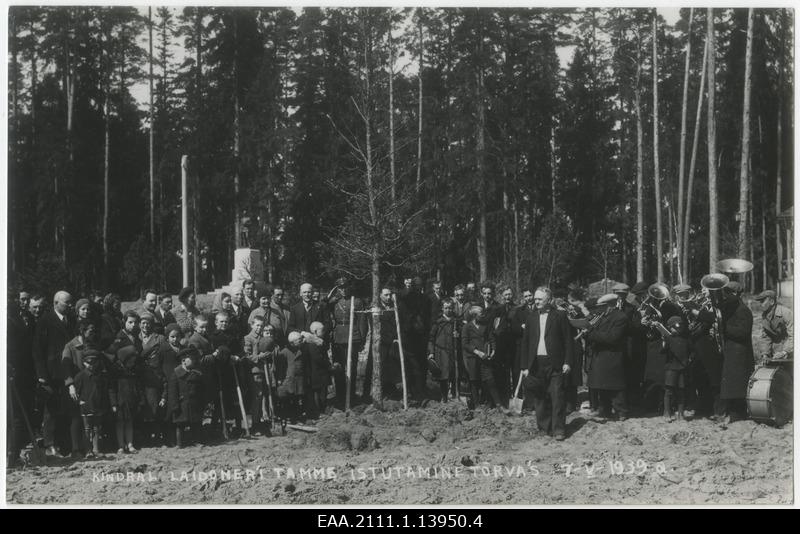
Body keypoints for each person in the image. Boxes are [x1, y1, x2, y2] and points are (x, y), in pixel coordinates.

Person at [520, 287, 574, 439]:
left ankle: (558, 430)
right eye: (535, 298)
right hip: (536, 363)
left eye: (539, 299)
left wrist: (568, 362)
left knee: (557, 396)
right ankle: (544, 427)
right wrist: (524, 366)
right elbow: (526, 343)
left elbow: (568, 341)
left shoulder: (560, 316)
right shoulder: (531, 317)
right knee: (540, 397)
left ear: (549, 300)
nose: (535, 301)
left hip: (555, 363)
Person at [33, 290, 75, 457]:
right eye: (67, 303)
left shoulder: (70, 320)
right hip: (51, 373)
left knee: (65, 409)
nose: (70, 306)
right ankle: (49, 445)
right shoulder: (45, 321)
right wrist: (41, 374)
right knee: (50, 411)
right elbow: (37, 350)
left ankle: (63, 445)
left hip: (67, 370)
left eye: (71, 302)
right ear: (56, 303)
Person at [585, 294, 629, 422]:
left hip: (612, 356)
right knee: (602, 385)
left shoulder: (621, 317)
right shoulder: (601, 316)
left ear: (610, 305)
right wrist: (585, 333)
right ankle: (605, 410)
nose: (600, 309)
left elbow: (613, 338)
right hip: (600, 355)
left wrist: (591, 333)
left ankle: (621, 412)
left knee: (616, 387)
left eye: (602, 306)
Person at [328, 278, 368, 408]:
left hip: (353, 336)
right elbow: (323, 306)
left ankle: (351, 396)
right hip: (338, 337)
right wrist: (330, 297)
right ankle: (340, 396)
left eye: (345, 287)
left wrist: (361, 339)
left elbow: (362, 321)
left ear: (349, 287)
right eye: (340, 288)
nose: (343, 290)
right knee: (338, 367)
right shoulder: (333, 302)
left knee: (352, 367)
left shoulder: (356, 301)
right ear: (337, 289)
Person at [717, 282, 754, 423]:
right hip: (732, 352)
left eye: (728, 293)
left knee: (738, 386)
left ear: (736, 294)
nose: (725, 296)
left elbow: (742, 333)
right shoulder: (730, 308)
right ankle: (732, 414)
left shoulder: (743, 310)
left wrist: (724, 327)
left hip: (740, 354)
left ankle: (738, 416)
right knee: (731, 385)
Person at [62, 319, 99, 457]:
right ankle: (76, 448)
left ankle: (90, 449)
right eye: (90, 331)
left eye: (94, 331)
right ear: (82, 331)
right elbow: (65, 367)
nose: (93, 334)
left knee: (90, 420)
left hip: (90, 386)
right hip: (76, 387)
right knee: (76, 418)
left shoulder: (92, 344)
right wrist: (70, 385)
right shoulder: (70, 346)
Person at [107, 311, 142, 454]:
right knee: (120, 420)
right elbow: (110, 356)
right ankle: (121, 445)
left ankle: (130, 443)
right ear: (124, 322)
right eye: (130, 322)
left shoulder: (137, 338)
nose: (133, 325)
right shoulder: (119, 339)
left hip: (132, 376)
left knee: (130, 419)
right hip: (120, 379)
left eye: (135, 322)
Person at [462, 305, 504, 412]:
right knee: (474, 381)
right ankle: (476, 405)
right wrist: (476, 351)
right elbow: (465, 344)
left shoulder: (485, 325)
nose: (484, 315)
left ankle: (498, 404)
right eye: (481, 314)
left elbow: (491, 338)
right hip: (473, 358)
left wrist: (494, 349)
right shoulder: (467, 327)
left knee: (490, 380)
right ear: (475, 316)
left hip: (485, 357)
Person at [73, 349, 113, 458]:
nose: (91, 365)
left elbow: (103, 391)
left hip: (98, 405)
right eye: (88, 363)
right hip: (86, 406)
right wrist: (80, 402)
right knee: (87, 429)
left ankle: (96, 449)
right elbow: (76, 392)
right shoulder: (80, 376)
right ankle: (87, 450)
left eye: (93, 362)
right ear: (83, 362)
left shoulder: (100, 376)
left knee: (97, 428)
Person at [243, 317, 276, 436]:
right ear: (252, 325)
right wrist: (259, 357)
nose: (259, 328)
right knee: (257, 396)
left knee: (263, 396)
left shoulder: (263, 338)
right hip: (254, 371)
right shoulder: (248, 338)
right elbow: (247, 356)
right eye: (257, 325)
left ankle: (263, 420)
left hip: (264, 370)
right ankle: (254, 424)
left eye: (261, 326)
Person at [139, 312, 167, 446]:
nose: (145, 325)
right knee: (143, 407)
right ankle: (145, 436)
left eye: (148, 323)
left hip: (156, 375)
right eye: (143, 323)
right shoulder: (136, 338)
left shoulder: (159, 338)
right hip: (141, 376)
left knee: (155, 405)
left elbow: (164, 357)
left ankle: (157, 435)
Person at [167, 348, 205, 448]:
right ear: (183, 361)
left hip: (194, 403)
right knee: (180, 425)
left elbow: (200, 390)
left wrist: (201, 403)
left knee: (195, 423)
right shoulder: (176, 373)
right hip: (181, 403)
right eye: (192, 359)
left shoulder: (196, 373)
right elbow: (172, 391)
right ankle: (179, 443)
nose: (194, 361)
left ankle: (196, 441)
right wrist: (174, 405)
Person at [428, 298, 458, 402]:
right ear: (442, 308)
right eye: (446, 308)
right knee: (443, 375)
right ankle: (444, 396)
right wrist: (431, 352)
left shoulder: (456, 322)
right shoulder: (438, 322)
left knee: (453, 374)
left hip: (453, 352)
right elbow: (431, 338)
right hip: (441, 351)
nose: (448, 310)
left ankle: (454, 395)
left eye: (450, 308)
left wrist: (457, 335)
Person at [661, 316, 691, 421]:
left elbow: (690, 350)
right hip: (671, 368)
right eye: (675, 327)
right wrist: (664, 341)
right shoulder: (668, 338)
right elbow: (663, 352)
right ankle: (667, 413)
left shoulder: (685, 338)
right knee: (669, 391)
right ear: (669, 328)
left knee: (681, 391)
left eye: (680, 327)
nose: (678, 329)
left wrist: (688, 360)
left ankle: (681, 414)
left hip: (682, 367)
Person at [754, 290, 793, 361]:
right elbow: (766, 336)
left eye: (762, 301)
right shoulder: (765, 315)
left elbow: (794, 336)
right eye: (760, 302)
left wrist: (785, 352)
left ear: (772, 302)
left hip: (791, 352)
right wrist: (765, 354)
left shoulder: (786, 313)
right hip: (775, 354)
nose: (760, 304)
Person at [306, 321, 335, 418]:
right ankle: (319, 410)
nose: (324, 332)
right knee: (318, 392)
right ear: (315, 331)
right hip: (317, 371)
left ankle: (322, 408)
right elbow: (318, 358)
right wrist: (328, 365)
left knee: (323, 390)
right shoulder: (312, 344)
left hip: (321, 371)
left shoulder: (319, 341)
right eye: (322, 331)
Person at [277, 331, 307, 423]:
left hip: (299, 380)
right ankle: (288, 417)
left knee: (297, 399)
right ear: (292, 342)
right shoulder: (284, 352)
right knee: (288, 399)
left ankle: (297, 416)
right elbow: (281, 368)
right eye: (299, 340)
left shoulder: (301, 350)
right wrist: (280, 380)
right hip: (289, 380)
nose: (301, 341)